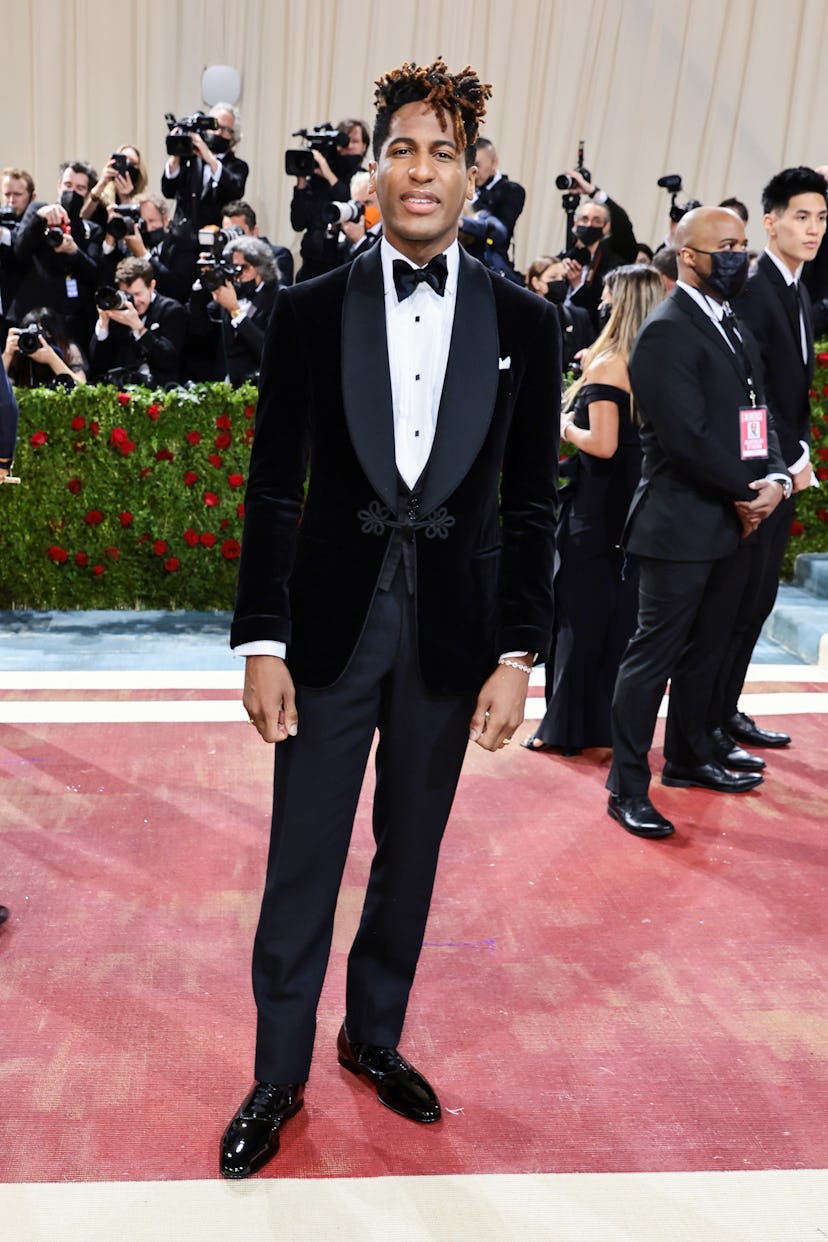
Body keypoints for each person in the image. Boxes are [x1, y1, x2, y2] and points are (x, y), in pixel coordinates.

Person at [219, 57, 560, 1180]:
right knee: (303, 856)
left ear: (474, 173)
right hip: (327, 632)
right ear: (375, 166)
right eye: (403, 148)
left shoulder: (529, 320)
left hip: (454, 638)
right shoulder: (310, 310)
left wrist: (520, 652)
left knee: (410, 857)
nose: (422, 170)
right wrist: (262, 639)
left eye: (443, 152)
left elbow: (528, 502)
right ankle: (277, 1072)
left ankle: (374, 1036)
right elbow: (276, 489)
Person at [605, 206, 790, 841]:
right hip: (679, 524)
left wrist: (773, 477)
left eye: (743, 244)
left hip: (735, 516)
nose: (739, 256)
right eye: (726, 247)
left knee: (708, 650)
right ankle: (626, 787)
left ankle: (687, 757)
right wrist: (749, 491)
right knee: (651, 659)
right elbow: (686, 438)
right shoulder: (665, 330)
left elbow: (753, 414)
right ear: (687, 255)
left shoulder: (731, 321)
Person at [522, 264, 664, 755]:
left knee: (578, 616)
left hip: (596, 508)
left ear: (619, 301)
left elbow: (601, 445)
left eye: (606, 293)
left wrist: (562, 425)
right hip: (634, 505)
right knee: (617, 619)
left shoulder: (609, 365)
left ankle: (561, 728)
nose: (599, 300)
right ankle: (601, 726)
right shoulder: (658, 359)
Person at [710, 167, 827, 758]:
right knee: (735, 601)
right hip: (760, 475)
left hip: (783, 468)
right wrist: (777, 465)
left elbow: (792, 392)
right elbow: (748, 395)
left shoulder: (798, 288)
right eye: (801, 216)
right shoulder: (755, 289)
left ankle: (725, 711)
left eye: (822, 218)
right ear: (772, 221)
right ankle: (707, 723)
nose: (813, 229)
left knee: (756, 602)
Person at [187, 236, 279, 384]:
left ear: (260, 268)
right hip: (226, 385)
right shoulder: (232, 291)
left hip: (259, 384)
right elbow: (199, 327)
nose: (237, 274)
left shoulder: (278, 297)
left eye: (243, 267)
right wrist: (203, 283)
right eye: (234, 266)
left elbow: (269, 350)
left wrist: (235, 311)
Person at [88, 255, 186, 386]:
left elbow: (168, 360)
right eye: (128, 295)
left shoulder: (171, 310)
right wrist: (103, 324)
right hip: (122, 392)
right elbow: (99, 365)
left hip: (160, 390)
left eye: (138, 294)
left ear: (151, 286)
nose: (134, 301)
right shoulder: (119, 313)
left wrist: (139, 329)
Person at [290, 118, 368, 280]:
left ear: (365, 146)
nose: (349, 146)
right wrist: (302, 181)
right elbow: (298, 223)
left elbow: (351, 205)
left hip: (342, 265)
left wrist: (328, 174)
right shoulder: (318, 180)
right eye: (345, 141)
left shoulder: (363, 179)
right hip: (310, 265)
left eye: (355, 141)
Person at [161, 103, 248, 229]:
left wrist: (209, 157)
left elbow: (235, 190)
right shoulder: (189, 160)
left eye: (225, 130)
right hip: (182, 237)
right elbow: (168, 191)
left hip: (213, 236)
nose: (218, 133)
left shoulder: (238, 167)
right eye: (215, 127)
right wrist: (176, 155)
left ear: (233, 137)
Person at [458, 137, 525, 281]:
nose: (472, 171)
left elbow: (500, 232)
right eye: (467, 165)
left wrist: (463, 221)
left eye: (477, 165)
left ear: (494, 162)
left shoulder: (511, 190)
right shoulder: (458, 188)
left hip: (490, 268)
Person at [526, 253, 594, 371]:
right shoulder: (521, 317)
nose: (560, 282)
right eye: (553, 277)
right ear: (536, 283)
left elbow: (593, 350)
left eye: (562, 277)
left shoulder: (579, 316)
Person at [3, 307, 87, 388]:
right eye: (30, 335)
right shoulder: (19, 353)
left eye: (40, 334)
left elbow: (82, 387)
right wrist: (8, 354)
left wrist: (52, 359)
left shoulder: (68, 349)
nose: (34, 340)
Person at [81, 145, 148, 226]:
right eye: (123, 160)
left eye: (132, 163)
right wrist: (102, 183)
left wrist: (125, 199)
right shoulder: (102, 197)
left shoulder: (145, 203)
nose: (127, 166)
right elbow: (84, 218)